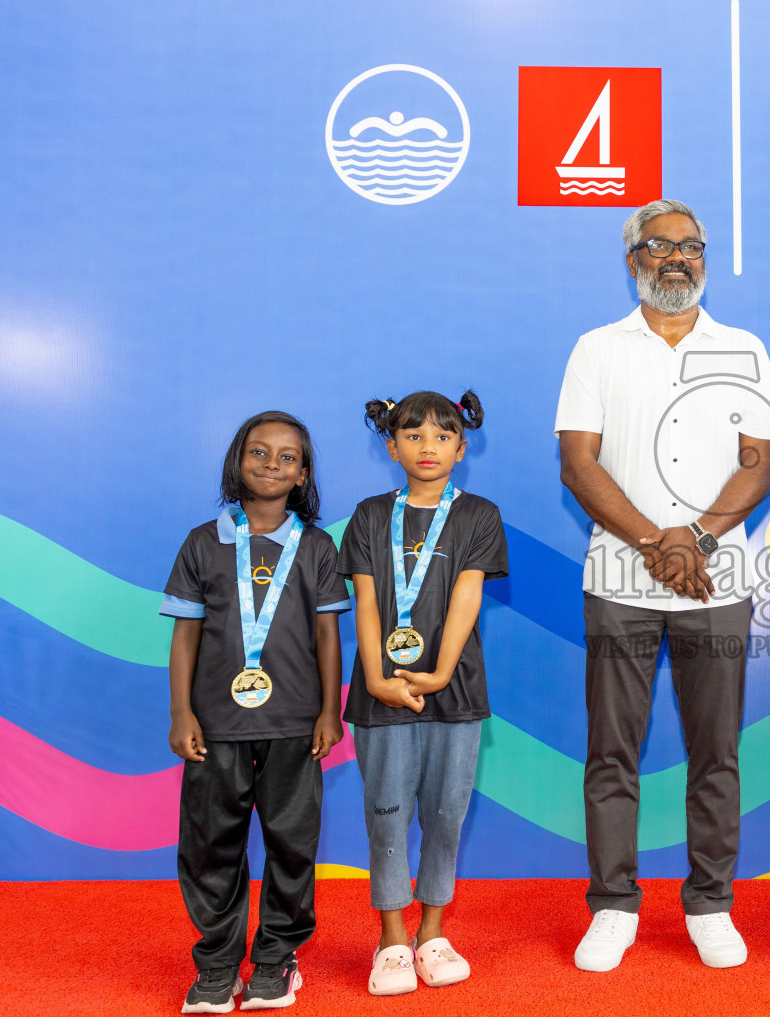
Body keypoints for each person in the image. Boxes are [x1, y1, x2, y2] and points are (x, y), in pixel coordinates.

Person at [556, 199, 770, 972]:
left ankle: (711, 903)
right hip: (620, 580)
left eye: (691, 246)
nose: (676, 258)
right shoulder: (596, 349)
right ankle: (613, 905)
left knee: (715, 751)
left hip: (719, 585)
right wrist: (656, 540)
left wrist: (700, 537)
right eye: (658, 246)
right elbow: (579, 463)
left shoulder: (744, 347)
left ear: (705, 260)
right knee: (611, 752)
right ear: (632, 262)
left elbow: (758, 461)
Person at [162, 411, 350, 1013]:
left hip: (296, 724)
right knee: (211, 844)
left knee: (292, 845)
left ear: (304, 473)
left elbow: (328, 637)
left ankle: (275, 959)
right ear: (236, 462)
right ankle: (217, 965)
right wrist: (181, 714)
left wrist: (330, 711)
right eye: (258, 452)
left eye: (287, 457)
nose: (272, 465)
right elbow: (185, 637)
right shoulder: (202, 542)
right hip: (215, 726)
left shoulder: (317, 546)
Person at [339, 391, 509, 995]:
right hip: (379, 693)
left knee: (445, 817)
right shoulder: (366, 516)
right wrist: (377, 678)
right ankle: (390, 939)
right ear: (391, 447)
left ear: (461, 451)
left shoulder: (478, 516)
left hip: (454, 689)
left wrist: (438, 673)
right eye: (413, 436)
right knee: (386, 816)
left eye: (442, 437)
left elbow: (468, 596)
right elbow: (363, 602)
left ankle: (432, 933)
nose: (427, 446)